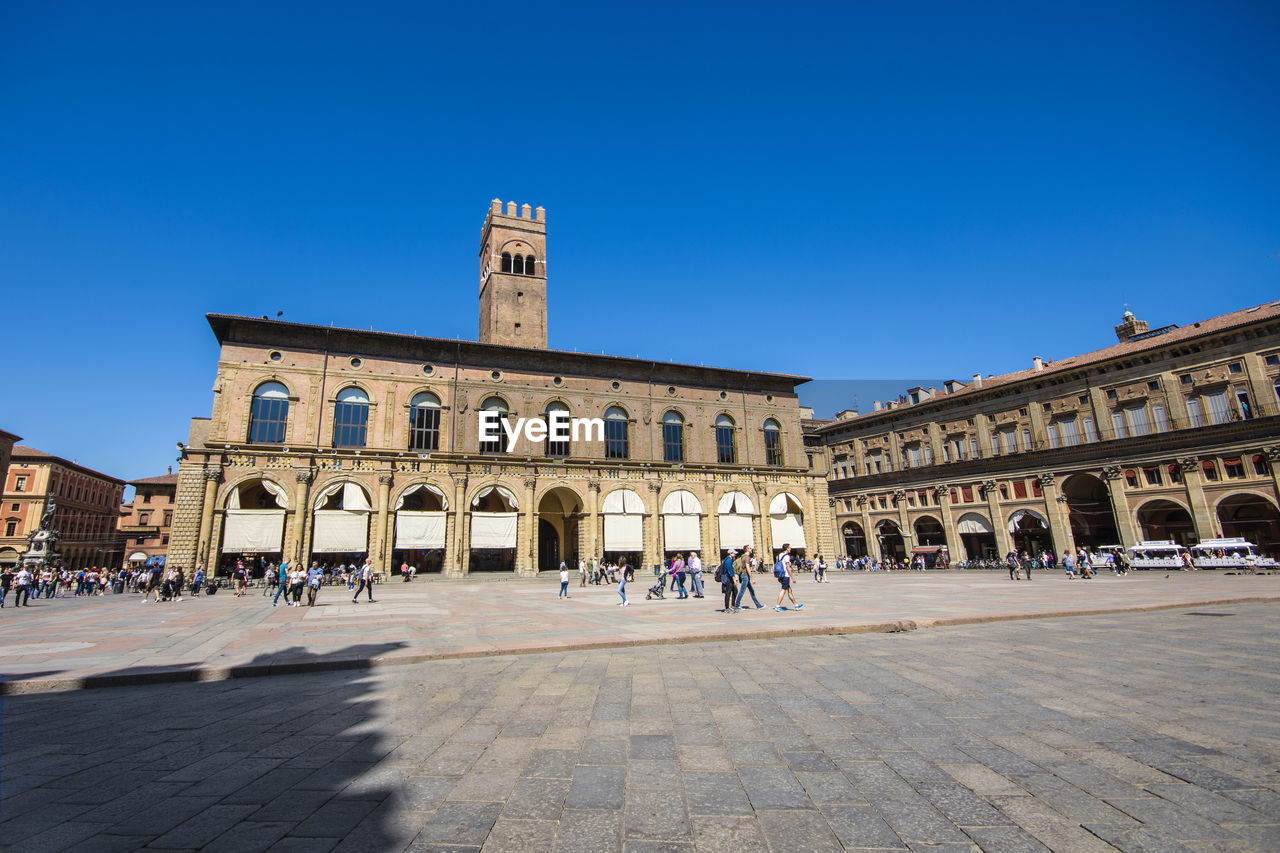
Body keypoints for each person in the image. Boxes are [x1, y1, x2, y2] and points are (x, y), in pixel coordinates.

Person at [773, 544, 803, 612]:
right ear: (787, 549)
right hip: (785, 575)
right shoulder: (786, 556)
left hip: (780, 575)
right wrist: (793, 577)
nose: (790, 549)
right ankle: (777, 605)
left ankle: (796, 605)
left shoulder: (779, 555)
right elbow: (788, 568)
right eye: (789, 548)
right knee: (783, 590)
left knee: (789, 591)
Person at [735, 545, 764, 609]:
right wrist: (752, 578)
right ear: (747, 549)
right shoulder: (747, 557)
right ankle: (737, 605)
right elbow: (748, 568)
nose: (751, 549)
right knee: (742, 591)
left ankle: (758, 605)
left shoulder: (743, 556)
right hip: (745, 576)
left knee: (751, 590)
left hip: (744, 575)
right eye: (750, 548)